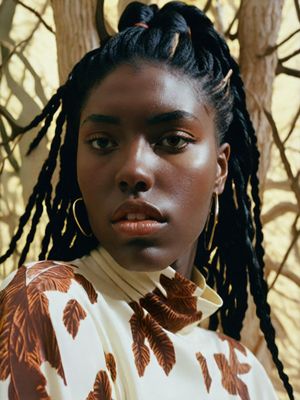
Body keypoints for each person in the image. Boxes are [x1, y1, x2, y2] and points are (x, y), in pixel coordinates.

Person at [0, 1, 294, 399]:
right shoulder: (46, 304)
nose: (133, 170)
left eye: (172, 140)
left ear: (220, 169)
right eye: (102, 142)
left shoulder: (243, 376)